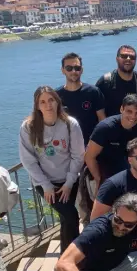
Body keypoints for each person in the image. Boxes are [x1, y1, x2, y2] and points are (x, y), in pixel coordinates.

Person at [19, 86, 85, 251]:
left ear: (57, 101)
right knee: (71, 215)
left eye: (51, 100)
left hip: (68, 179)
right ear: (37, 106)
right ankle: (75, 258)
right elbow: (28, 160)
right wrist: (46, 185)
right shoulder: (28, 128)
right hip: (45, 183)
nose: (48, 105)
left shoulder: (70, 124)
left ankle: (67, 257)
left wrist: (69, 183)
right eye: (42, 102)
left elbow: (78, 155)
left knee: (66, 218)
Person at [85, 94, 137, 193]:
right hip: (105, 169)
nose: (133, 116)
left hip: (130, 168)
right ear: (121, 109)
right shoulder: (105, 128)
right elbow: (89, 156)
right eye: (129, 111)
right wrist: (98, 178)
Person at [56, 53, 105, 144]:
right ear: (63, 70)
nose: (73, 71)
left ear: (81, 70)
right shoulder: (56, 96)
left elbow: (102, 120)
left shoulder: (93, 92)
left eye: (77, 68)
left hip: (91, 144)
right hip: (67, 145)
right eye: (69, 68)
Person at [96, 45, 137, 117]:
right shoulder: (105, 82)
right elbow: (99, 112)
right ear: (117, 59)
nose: (128, 59)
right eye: (124, 56)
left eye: (132, 57)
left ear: (135, 61)